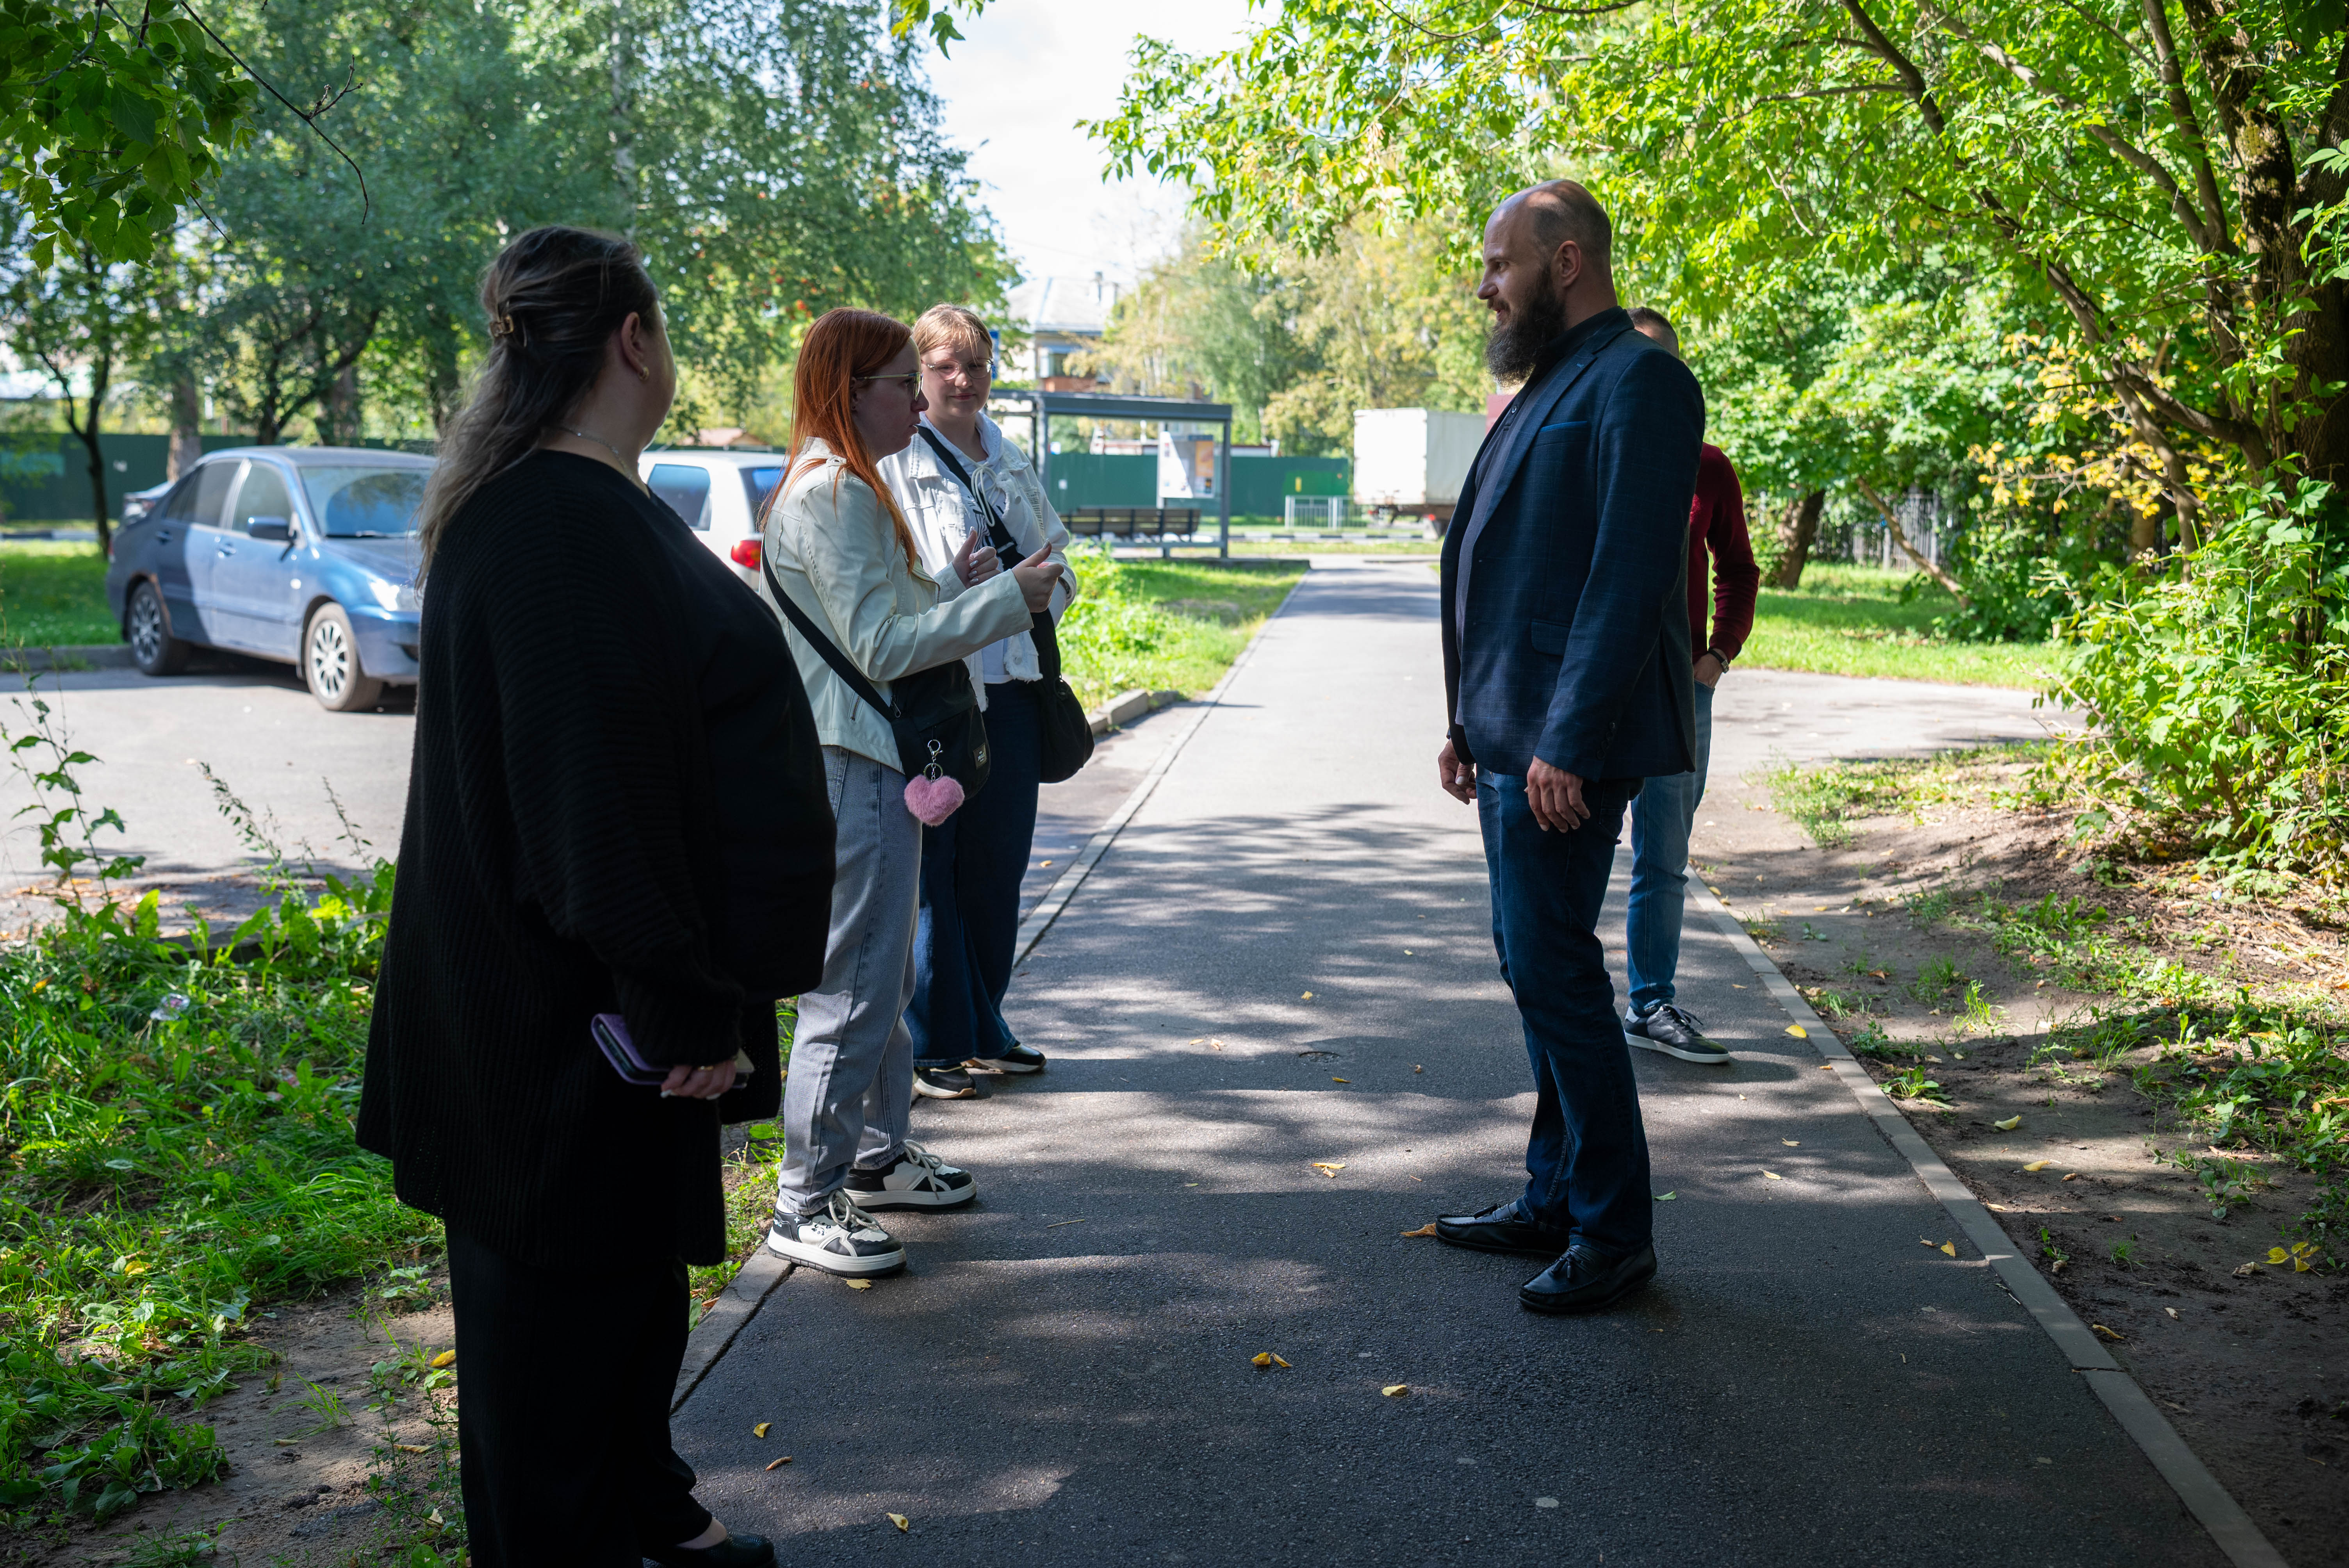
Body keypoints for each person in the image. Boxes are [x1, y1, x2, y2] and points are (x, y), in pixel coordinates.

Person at [360, 225, 834, 1568]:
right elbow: (590, 813)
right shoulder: (552, 527)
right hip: (562, 1053)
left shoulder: (575, 508)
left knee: (617, 1338)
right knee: (548, 1391)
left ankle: (652, 1525)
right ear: (634, 338)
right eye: (667, 329)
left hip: (606, 1046)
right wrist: (685, 1010)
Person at [1432, 181, 1704, 1316]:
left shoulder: (1642, 381)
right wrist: (1465, 719)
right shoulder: (1550, 381)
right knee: (1535, 972)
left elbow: (1623, 580)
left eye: (1499, 263)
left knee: (1555, 973)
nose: (1485, 285)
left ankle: (1612, 1227)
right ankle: (1554, 1193)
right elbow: (1506, 571)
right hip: (1510, 732)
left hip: (1565, 749)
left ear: (1569, 260)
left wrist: (1568, 744)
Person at [760, 307, 1064, 1277]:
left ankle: (875, 1156)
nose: (916, 397)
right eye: (901, 380)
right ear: (856, 392)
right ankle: (803, 1201)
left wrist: (953, 586)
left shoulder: (840, 487)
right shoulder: (836, 493)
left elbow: (885, 619)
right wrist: (998, 601)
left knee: (880, 978)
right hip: (855, 763)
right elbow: (882, 650)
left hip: (868, 761)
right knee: (852, 985)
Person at [877, 305, 1076, 1101]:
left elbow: (1057, 561)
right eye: (944, 367)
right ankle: (936, 1042)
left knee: (998, 872)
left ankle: (984, 1023)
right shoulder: (896, 461)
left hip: (1016, 692)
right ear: (918, 376)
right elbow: (894, 594)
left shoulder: (1007, 453)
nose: (963, 381)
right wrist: (966, 587)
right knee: (937, 877)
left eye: (977, 366)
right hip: (939, 700)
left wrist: (1038, 592)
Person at [1619, 305, 1759, 1065]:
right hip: (1604, 690)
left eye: (1659, 367)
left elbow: (1738, 570)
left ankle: (1649, 1003)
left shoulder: (1706, 466)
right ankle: (1566, 1003)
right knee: (1579, 843)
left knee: (1662, 855)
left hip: (1681, 692)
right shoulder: (1592, 456)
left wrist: (1717, 656)